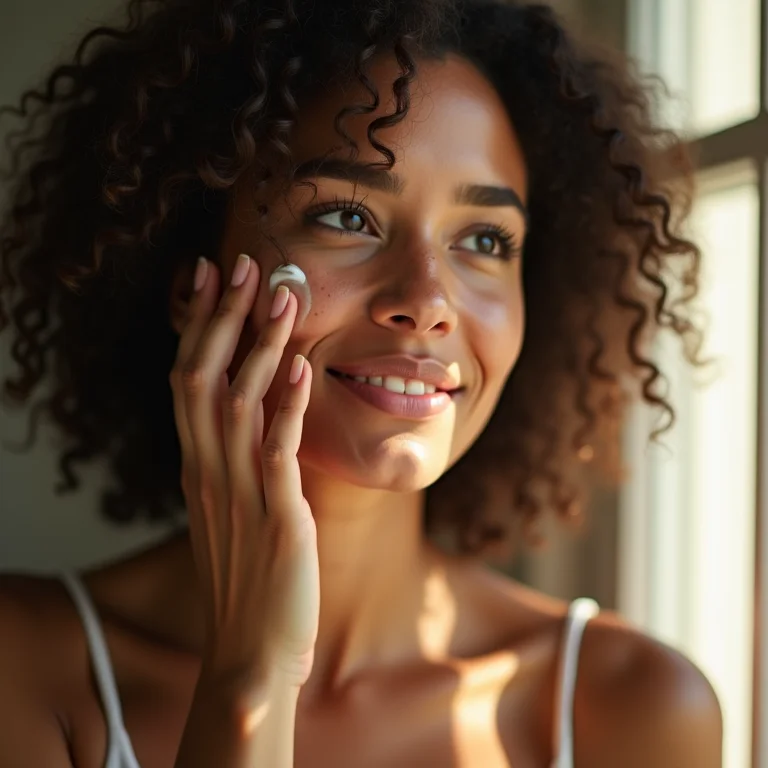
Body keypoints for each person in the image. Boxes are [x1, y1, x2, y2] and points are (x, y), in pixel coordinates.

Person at [0, 0, 723, 766]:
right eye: (347, 217)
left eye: (484, 239)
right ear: (191, 281)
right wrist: (252, 678)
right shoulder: (27, 669)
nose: (428, 302)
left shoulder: (632, 708)